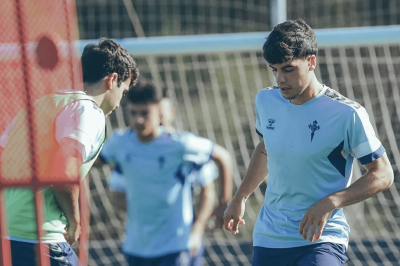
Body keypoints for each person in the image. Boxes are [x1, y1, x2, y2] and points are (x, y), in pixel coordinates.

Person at [223, 19, 394, 266]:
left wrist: (331, 202)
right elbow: (265, 149)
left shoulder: (347, 114)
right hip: (270, 237)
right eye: (275, 69)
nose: (280, 78)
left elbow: (383, 173)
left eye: (289, 69)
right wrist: (240, 197)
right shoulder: (266, 101)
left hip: (321, 239)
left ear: (311, 61)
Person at [0, 38, 139, 265]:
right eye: (123, 92)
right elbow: (63, 173)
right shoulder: (88, 111)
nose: (118, 104)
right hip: (38, 237)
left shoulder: (40, 104)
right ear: (113, 80)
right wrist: (75, 221)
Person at [99, 82, 233, 266]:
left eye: (145, 113)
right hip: (137, 245)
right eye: (133, 113)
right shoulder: (119, 143)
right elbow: (93, 164)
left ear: (159, 113)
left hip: (176, 244)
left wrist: (224, 202)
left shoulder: (179, 144)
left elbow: (223, 156)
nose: (138, 120)